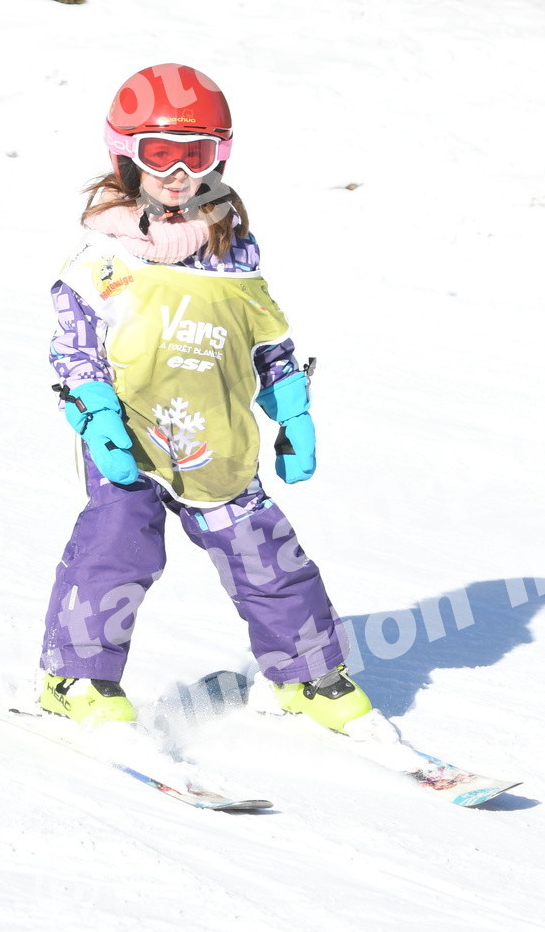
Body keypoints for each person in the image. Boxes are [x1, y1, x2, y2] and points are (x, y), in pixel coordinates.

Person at [38, 63, 373, 734]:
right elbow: (75, 344)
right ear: (125, 154)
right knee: (118, 546)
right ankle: (76, 677)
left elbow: (266, 336)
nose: (177, 172)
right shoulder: (107, 254)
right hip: (131, 433)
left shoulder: (233, 251)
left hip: (212, 435)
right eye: (160, 152)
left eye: (196, 154)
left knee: (266, 552)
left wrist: (292, 408)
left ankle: (309, 675)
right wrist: (96, 412)